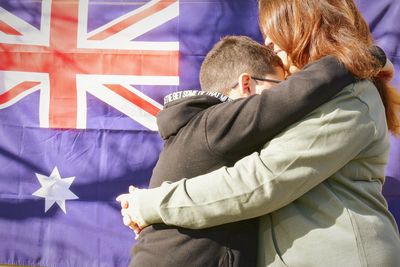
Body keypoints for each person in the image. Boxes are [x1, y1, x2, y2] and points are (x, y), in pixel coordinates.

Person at [118, 0, 400, 266]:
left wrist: (153, 202)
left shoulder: (349, 98)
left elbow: (265, 180)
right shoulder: (311, 98)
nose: (268, 42)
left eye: (275, 29)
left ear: (308, 26)